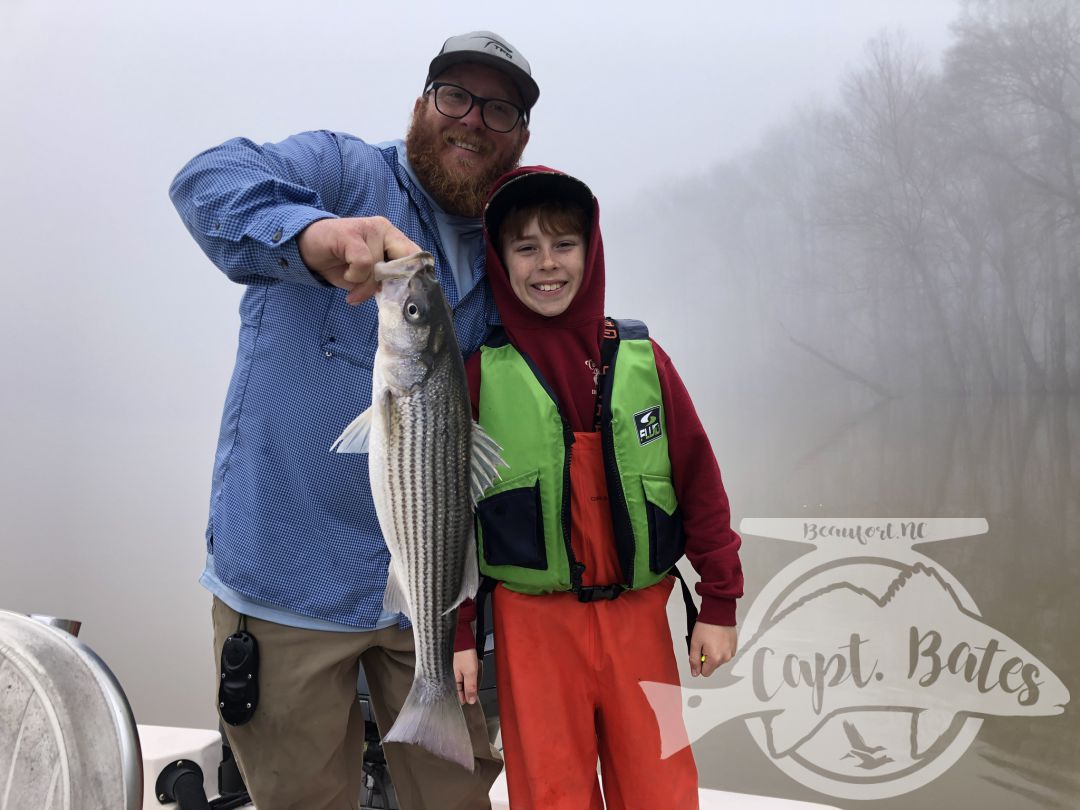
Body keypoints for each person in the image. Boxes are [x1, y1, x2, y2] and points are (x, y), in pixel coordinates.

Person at [167, 30, 538, 810]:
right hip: (283, 582)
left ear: (521, 136)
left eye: (499, 108)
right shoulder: (341, 170)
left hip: (436, 596)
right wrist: (313, 235)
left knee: (459, 798)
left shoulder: (514, 242)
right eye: (455, 96)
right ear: (421, 104)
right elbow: (205, 179)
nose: (473, 119)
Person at [452, 167, 744, 810]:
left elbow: (699, 482)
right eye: (525, 248)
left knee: (660, 791)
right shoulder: (477, 374)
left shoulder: (645, 359)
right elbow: (454, 525)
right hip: (532, 629)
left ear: (592, 249)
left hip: (639, 621)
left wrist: (719, 602)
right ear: (500, 263)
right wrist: (462, 633)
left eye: (564, 244)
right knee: (551, 793)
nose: (547, 264)